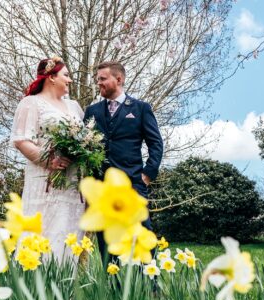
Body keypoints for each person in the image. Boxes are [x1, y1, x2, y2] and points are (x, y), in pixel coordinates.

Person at [83, 61, 163, 257]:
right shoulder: (91, 112)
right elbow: (84, 147)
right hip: (102, 189)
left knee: (142, 235)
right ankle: (112, 285)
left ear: (118, 79)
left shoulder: (141, 108)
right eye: (97, 79)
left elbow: (156, 144)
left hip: (133, 184)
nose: (98, 83)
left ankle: (150, 286)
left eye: (102, 79)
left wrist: (147, 175)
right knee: (106, 242)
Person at [10, 57, 85, 256]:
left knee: (68, 231)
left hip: (72, 181)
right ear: (51, 77)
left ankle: (65, 283)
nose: (70, 80)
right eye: (66, 75)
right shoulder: (31, 103)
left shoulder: (74, 107)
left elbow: (83, 139)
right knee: (45, 228)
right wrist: (49, 161)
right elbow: (21, 140)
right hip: (45, 180)